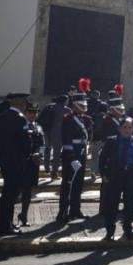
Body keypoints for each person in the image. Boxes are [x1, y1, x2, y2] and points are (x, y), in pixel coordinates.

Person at [0, 93, 33, 235]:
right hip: (16, 161)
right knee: (11, 194)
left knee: (7, 193)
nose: (26, 105)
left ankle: (4, 224)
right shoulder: (20, 119)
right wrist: (28, 155)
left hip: (4, 161)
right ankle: (5, 226)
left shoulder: (2, 116)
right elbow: (26, 142)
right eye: (25, 102)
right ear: (21, 104)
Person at [100, 117, 133, 240]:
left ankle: (128, 229)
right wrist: (103, 174)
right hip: (114, 176)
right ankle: (110, 231)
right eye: (124, 127)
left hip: (130, 176)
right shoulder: (111, 141)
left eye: (130, 127)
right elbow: (102, 158)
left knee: (129, 205)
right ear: (119, 128)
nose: (127, 130)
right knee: (111, 205)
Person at [57, 87, 91, 224]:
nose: (83, 108)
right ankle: (62, 212)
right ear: (75, 106)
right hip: (70, 155)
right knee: (68, 185)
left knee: (78, 184)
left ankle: (75, 210)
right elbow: (66, 139)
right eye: (81, 106)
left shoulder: (85, 119)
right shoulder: (68, 119)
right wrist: (71, 158)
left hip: (81, 153)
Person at [17, 103, 45, 227]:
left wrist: (39, 154)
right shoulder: (20, 126)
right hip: (21, 163)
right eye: (30, 112)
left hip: (33, 164)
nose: (33, 115)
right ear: (26, 113)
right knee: (15, 192)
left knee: (28, 192)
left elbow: (43, 144)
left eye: (35, 113)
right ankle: (8, 220)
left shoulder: (38, 127)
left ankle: (23, 216)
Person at [36, 94, 70, 179]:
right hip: (58, 133)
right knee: (56, 153)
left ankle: (46, 167)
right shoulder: (66, 110)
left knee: (47, 149)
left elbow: (39, 118)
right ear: (65, 101)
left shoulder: (48, 106)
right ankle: (54, 172)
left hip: (46, 131)